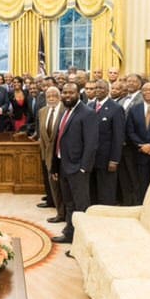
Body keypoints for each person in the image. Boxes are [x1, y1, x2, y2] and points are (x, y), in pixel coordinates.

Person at [51, 83, 99, 247]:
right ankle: (70, 234)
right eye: (64, 92)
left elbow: (91, 144)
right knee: (69, 204)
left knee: (81, 207)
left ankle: (82, 243)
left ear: (79, 93)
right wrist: (55, 166)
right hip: (64, 166)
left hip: (78, 168)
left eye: (71, 92)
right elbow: (59, 140)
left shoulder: (87, 113)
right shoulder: (66, 111)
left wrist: (84, 168)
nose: (67, 95)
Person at [88, 80, 125, 205]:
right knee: (92, 191)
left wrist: (114, 159)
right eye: (96, 88)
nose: (98, 90)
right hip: (90, 158)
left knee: (106, 192)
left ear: (107, 90)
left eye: (101, 88)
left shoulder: (116, 108)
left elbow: (118, 137)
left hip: (106, 159)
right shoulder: (89, 106)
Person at [37, 86, 65, 223]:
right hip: (47, 156)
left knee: (63, 187)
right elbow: (42, 137)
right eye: (49, 96)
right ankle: (59, 213)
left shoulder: (65, 110)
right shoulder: (42, 111)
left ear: (59, 96)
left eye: (54, 95)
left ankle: (66, 213)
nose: (52, 98)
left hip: (62, 156)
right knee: (53, 186)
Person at [117, 73, 143, 206]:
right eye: (128, 81)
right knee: (123, 176)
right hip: (120, 145)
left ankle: (136, 203)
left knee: (134, 176)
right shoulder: (121, 100)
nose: (131, 83)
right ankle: (127, 202)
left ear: (139, 84)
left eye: (134, 81)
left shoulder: (142, 99)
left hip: (133, 145)